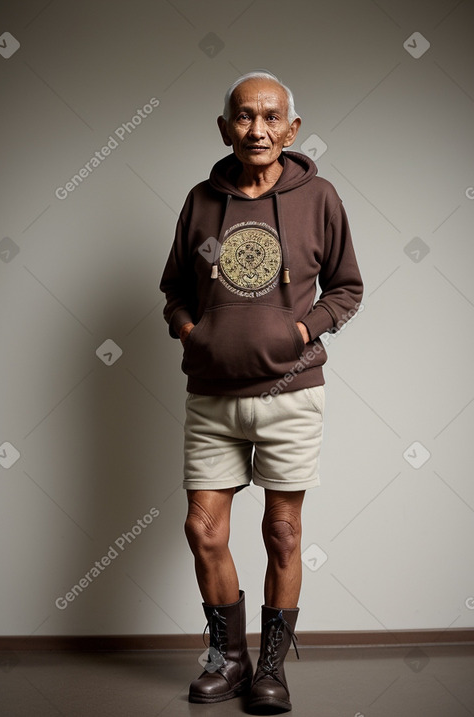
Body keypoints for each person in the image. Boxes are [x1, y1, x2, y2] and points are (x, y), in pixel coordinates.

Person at [160, 70, 363, 714]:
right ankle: (229, 660)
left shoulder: (320, 197)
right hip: (212, 395)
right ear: (225, 129)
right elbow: (174, 292)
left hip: (291, 393)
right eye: (245, 117)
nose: (258, 129)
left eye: (272, 117)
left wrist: (303, 329)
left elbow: (346, 288)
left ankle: (271, 670)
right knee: (203, 530)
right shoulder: (201, 200)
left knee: (282, 532)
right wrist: (192, 333)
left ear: (292, 129)